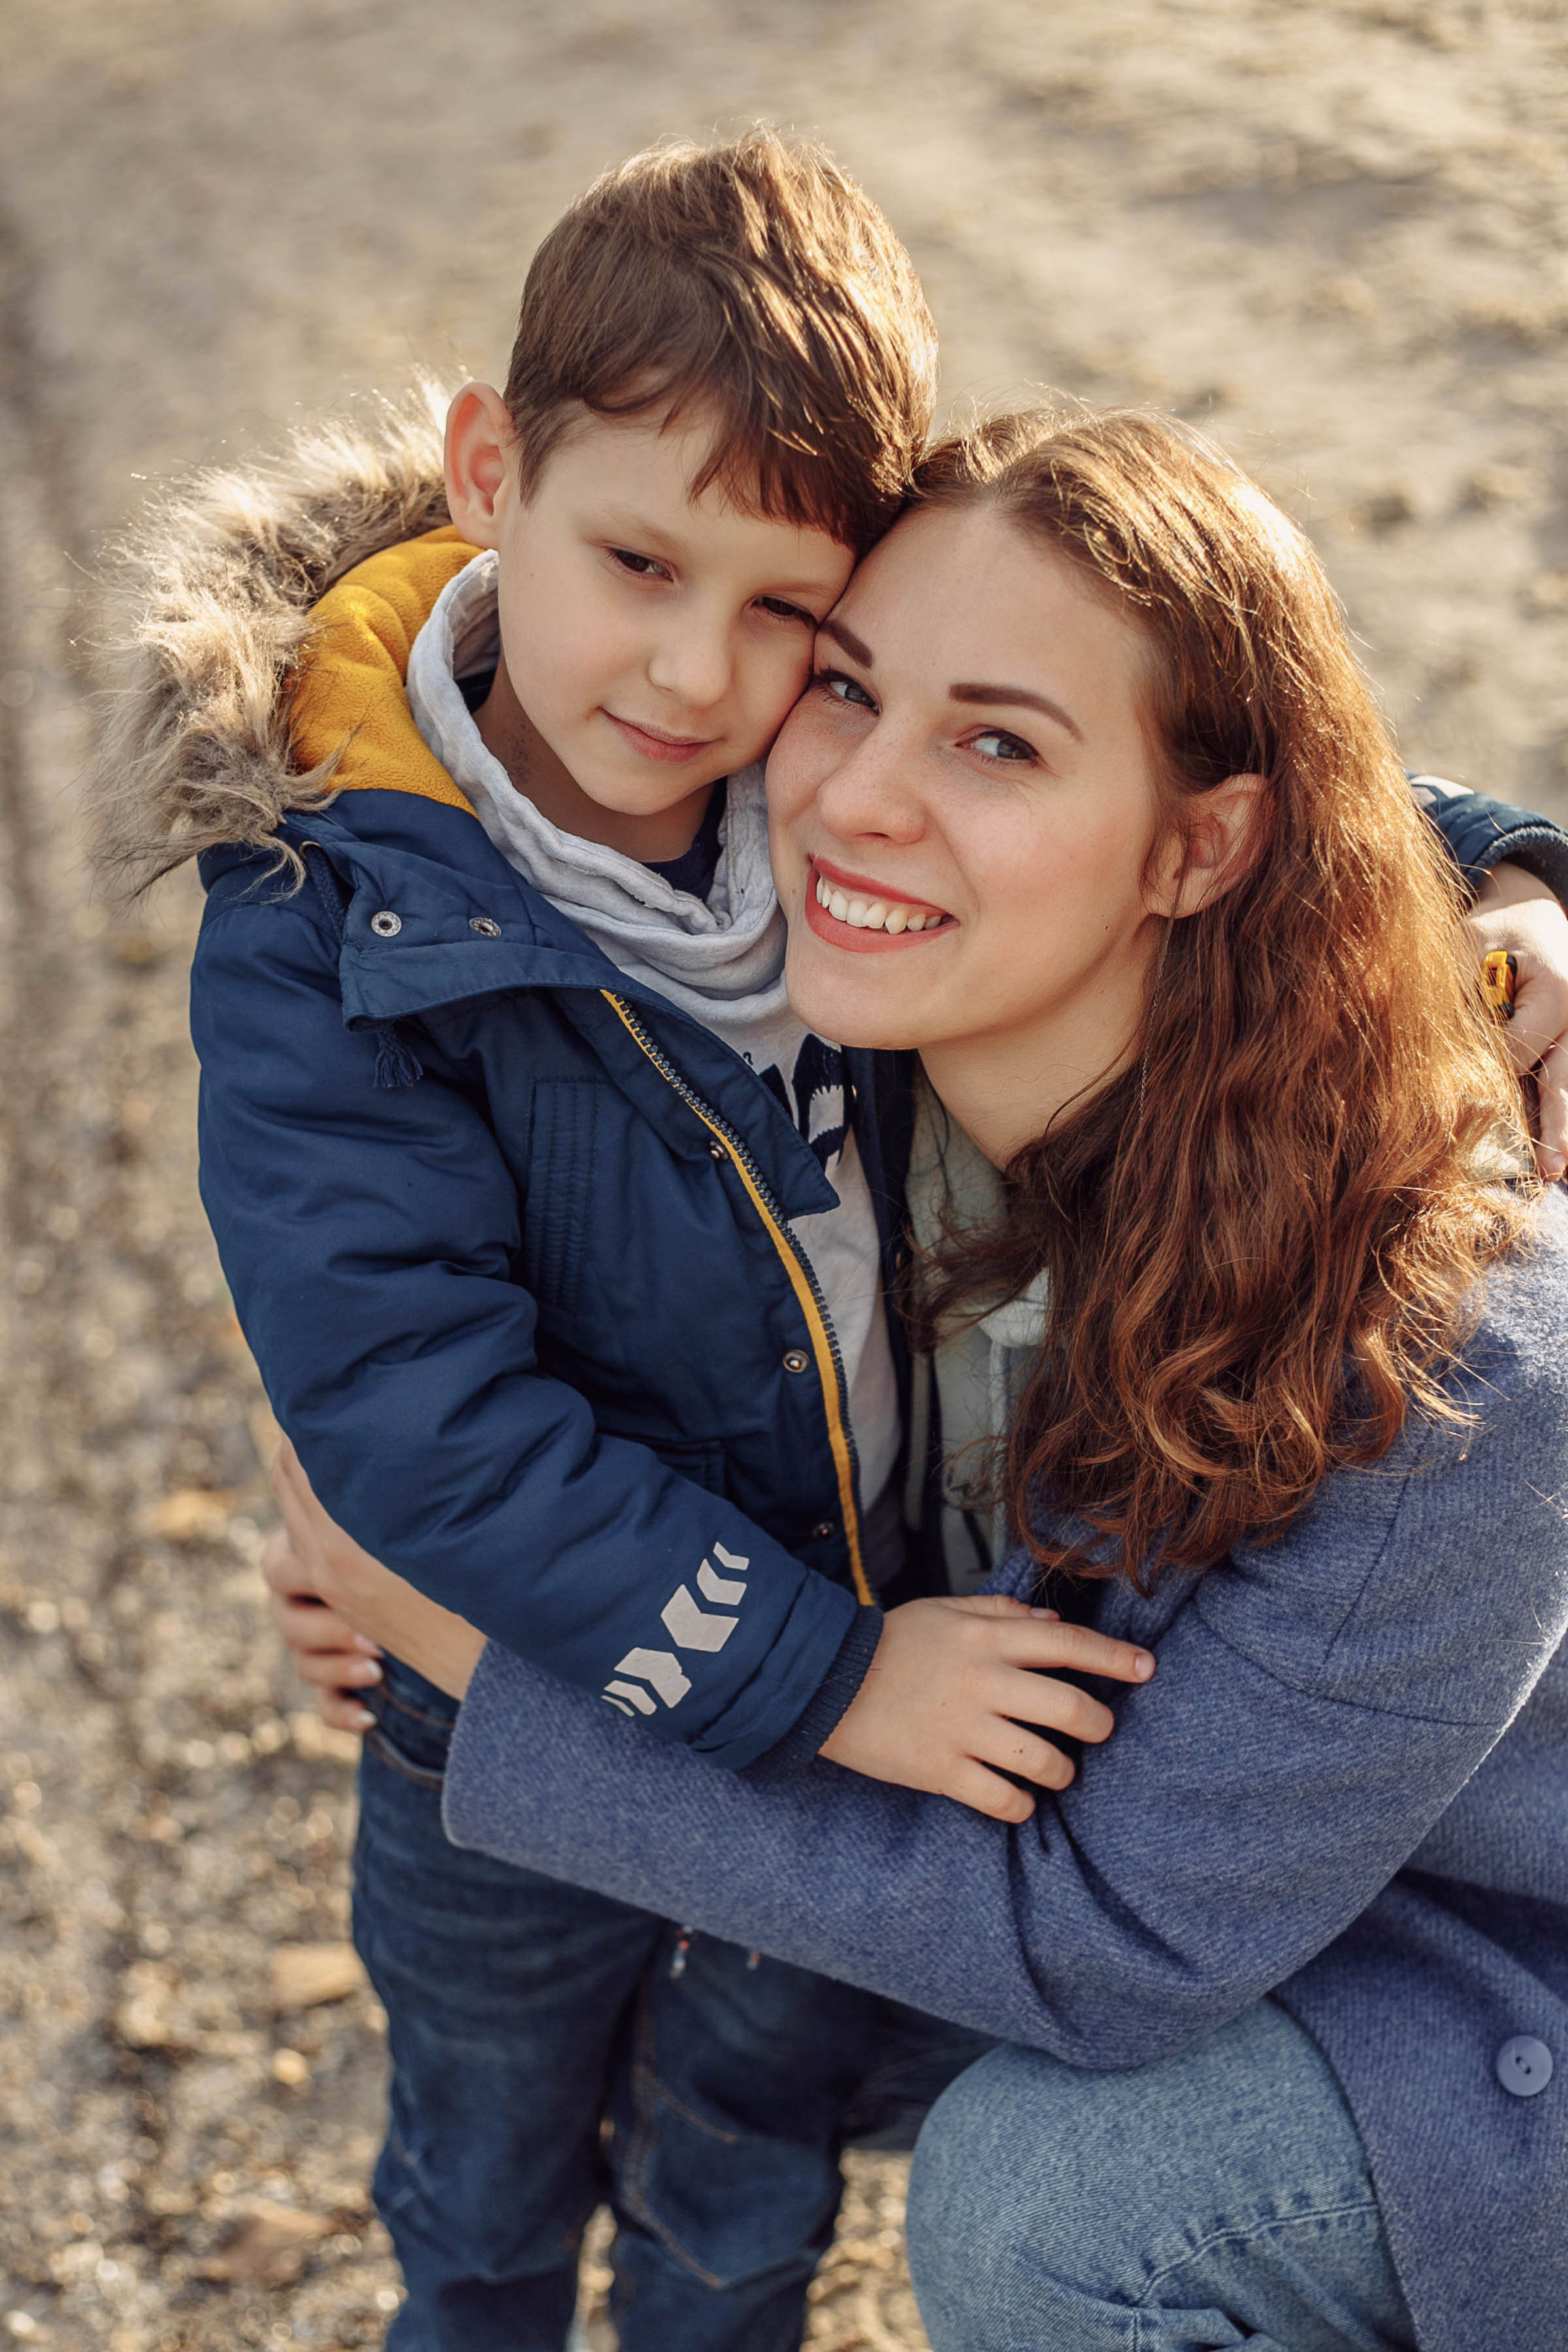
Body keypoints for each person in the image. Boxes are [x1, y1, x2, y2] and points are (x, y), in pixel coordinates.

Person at [268, 408, 1568, 2352]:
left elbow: (1111, 1948)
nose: (856, 799)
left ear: (1206, 846)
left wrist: (483, 1653)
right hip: (1162, 1864)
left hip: (1465, 1995)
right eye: (850, 689)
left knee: (1049, 2203)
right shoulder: (857, 1016)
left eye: (993, 744)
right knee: (656, 2021)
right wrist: (407, 1485)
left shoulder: (1464, 1360)